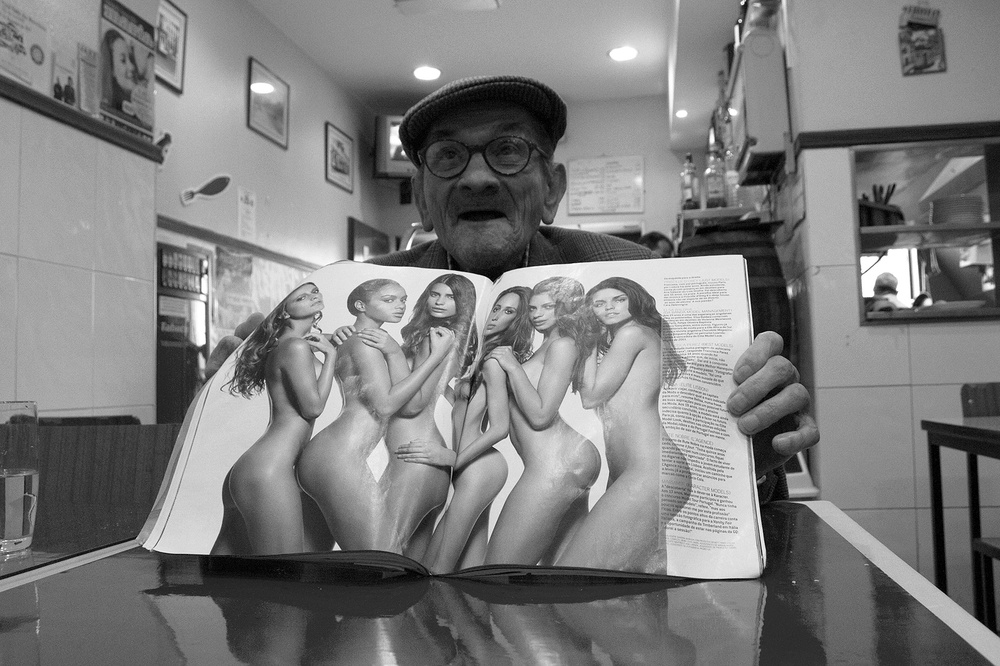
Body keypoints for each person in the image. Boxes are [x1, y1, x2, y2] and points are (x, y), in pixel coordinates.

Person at [211, 73, 818, 505]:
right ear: (421, 197)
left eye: (508, 151)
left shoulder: (628, 276)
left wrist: (754, 451)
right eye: (448, 156)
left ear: (551, 189)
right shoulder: (369, 290)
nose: (477, 177)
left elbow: (706, 458)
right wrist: (229, 403)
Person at [295, 279, 456, 551]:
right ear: (361, 306)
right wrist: (435, 357)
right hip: (338, 457)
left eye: (403, 300)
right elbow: (385, 406)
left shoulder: (354, 338)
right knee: (383, 556)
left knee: (322, 558)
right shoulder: (366, 344)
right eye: (389, 300)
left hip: (331, 454)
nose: (399, 306)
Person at [555, 277, 691, 572]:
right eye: (599, 303)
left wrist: (589, 340)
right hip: (631, 473)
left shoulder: (632, 334)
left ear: (634, 300)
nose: (609, 308)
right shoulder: (625, 341)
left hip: (649, 472)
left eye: (618, 300)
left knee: (576, 575)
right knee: (639, 583)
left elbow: (590, 396)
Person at [399, 286, 534, 572]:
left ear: (517, 321)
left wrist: (452, 458)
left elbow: (499, 427)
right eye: (495, 308)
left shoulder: (494, 362)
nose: (495, 316)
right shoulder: (482, 358)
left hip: (479, 467)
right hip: (474, 467)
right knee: (469, 568)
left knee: (436, 568)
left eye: (508, 312)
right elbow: (463, 403)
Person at [211, 282, 338, 555]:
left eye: (315, 291)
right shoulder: (296, 347)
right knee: (285, 573)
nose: (313, 297)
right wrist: (331, 357)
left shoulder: (285, 344)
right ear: (283, 311)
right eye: (301, 297)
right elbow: (313, 408)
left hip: (255, 468)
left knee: (225, 571)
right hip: (269, 472)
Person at [483, 277, 601, 566]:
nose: (537, 314)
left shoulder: (562, 345)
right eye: (533, 308)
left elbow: (541, 415)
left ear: (565, 309)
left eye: (547, 307)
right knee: (559, 572)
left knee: (499, 570)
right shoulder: (548, 344)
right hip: (563, 461)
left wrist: (513, 367)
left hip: (555, 464)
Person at [379, 274, 478, 557]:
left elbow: (414, 404)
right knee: (414, 568)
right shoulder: (451, 338)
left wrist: (391, 351)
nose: (440, 302)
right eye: (435, 294)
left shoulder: (435, 339)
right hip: (428, 466)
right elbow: (438, 391)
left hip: (413, 464)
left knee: (380, 556)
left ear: (463, 304)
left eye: (450, 297)